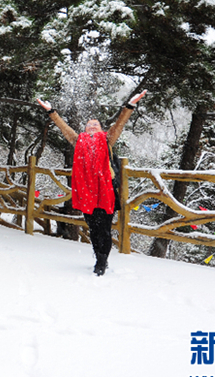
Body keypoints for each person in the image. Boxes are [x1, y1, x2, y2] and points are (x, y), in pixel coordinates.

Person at [37, 91, 146, 276]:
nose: (93, 127)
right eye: (90, 125)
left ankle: (102, 262)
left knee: (104, 228)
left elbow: (120, 124)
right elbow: (63, 127)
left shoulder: (107, 139)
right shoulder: (77, 140)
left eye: (96, 124)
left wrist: (130, 106)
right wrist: (51, 112)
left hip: (106, 190)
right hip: (86, 192)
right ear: (85, 129)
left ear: (102, 128)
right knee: (93, 228)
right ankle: (99, 257)